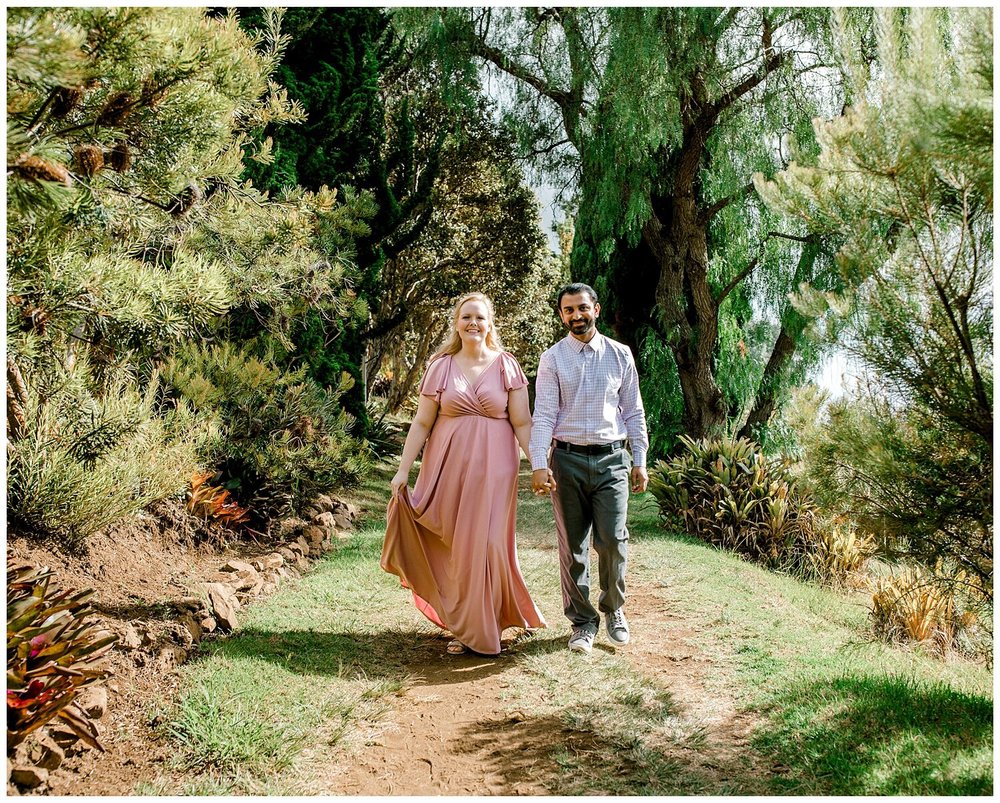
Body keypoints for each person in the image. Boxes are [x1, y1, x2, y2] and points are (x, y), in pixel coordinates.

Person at [381, 292, 546, 656]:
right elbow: (422, 421)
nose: (473, 323)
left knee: (487, 544)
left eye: (480, 318)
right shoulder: (440, 366)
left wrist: (538, 464)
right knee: (457, 544)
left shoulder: (507, 365)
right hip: (448, 465)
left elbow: (521, 421)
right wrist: (403, 470)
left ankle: (482, 626)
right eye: (466, 317)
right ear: (456, 322)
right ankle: (472, 621)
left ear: (491, 324)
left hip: (495, 467)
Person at [529, 282, 649, 654]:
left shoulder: (620, 355)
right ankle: (582, 622)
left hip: (613, 458)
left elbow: (633, 411)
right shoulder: (552, 359)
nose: (576, 315)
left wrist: (640, 459)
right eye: (568, 310)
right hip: (566, 460)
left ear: (596, 310)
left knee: (612, 539)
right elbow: (545, 414)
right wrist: (537, 464)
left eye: (582, 308)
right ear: (561, 315)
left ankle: (614, 610)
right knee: (573, 547)